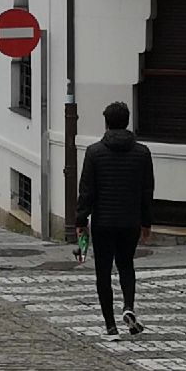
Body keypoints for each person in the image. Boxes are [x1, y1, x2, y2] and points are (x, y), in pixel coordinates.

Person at [75, 99, 154, 340]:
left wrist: (80, 221)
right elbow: (147, 191)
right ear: (127, 122)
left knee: (103, 272)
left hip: (103, 222)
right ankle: (128, 306)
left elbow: (86, 191)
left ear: (106, 123)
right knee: (126, 265)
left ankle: (110, 326)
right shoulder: (142, 153)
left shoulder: (94, 152)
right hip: (130, 221)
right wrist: (146, 222)